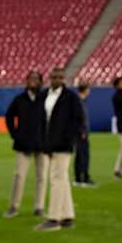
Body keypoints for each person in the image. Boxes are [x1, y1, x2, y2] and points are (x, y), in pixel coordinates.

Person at [35, 67, 84, 232]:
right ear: (50, 78)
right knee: (61, 178)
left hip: (63, 144)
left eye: (60, 77)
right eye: (54, 76)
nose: (57, 79)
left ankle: (54, 218)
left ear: (64, 79)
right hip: (49, 143)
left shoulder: (71, 97)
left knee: (56, 178)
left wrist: (71, 138)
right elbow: (41, 121)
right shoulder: (43, 95)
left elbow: (78, 119)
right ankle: (68, 216)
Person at [3, 71, 46, 218]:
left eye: (36, 79)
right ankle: (14, 206)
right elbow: (9, 116)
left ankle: (39, 207)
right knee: (19, 175)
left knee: (42, 177)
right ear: (26, 81)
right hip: (23, 144)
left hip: (42, 143)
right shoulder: (19, 99)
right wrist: (15, 135)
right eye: (30, 79)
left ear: (40, 82)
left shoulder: (46, 98)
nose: (32, 81)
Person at [73, 82, 96, 187]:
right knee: (83, 155)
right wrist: (82, 131)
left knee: (80, 155)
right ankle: (84, 178)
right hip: (81, 133)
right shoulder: (79, 102)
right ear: (85, 90)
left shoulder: (80, 101)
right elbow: (78, 118)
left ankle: (79, 178)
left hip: (80, 132)